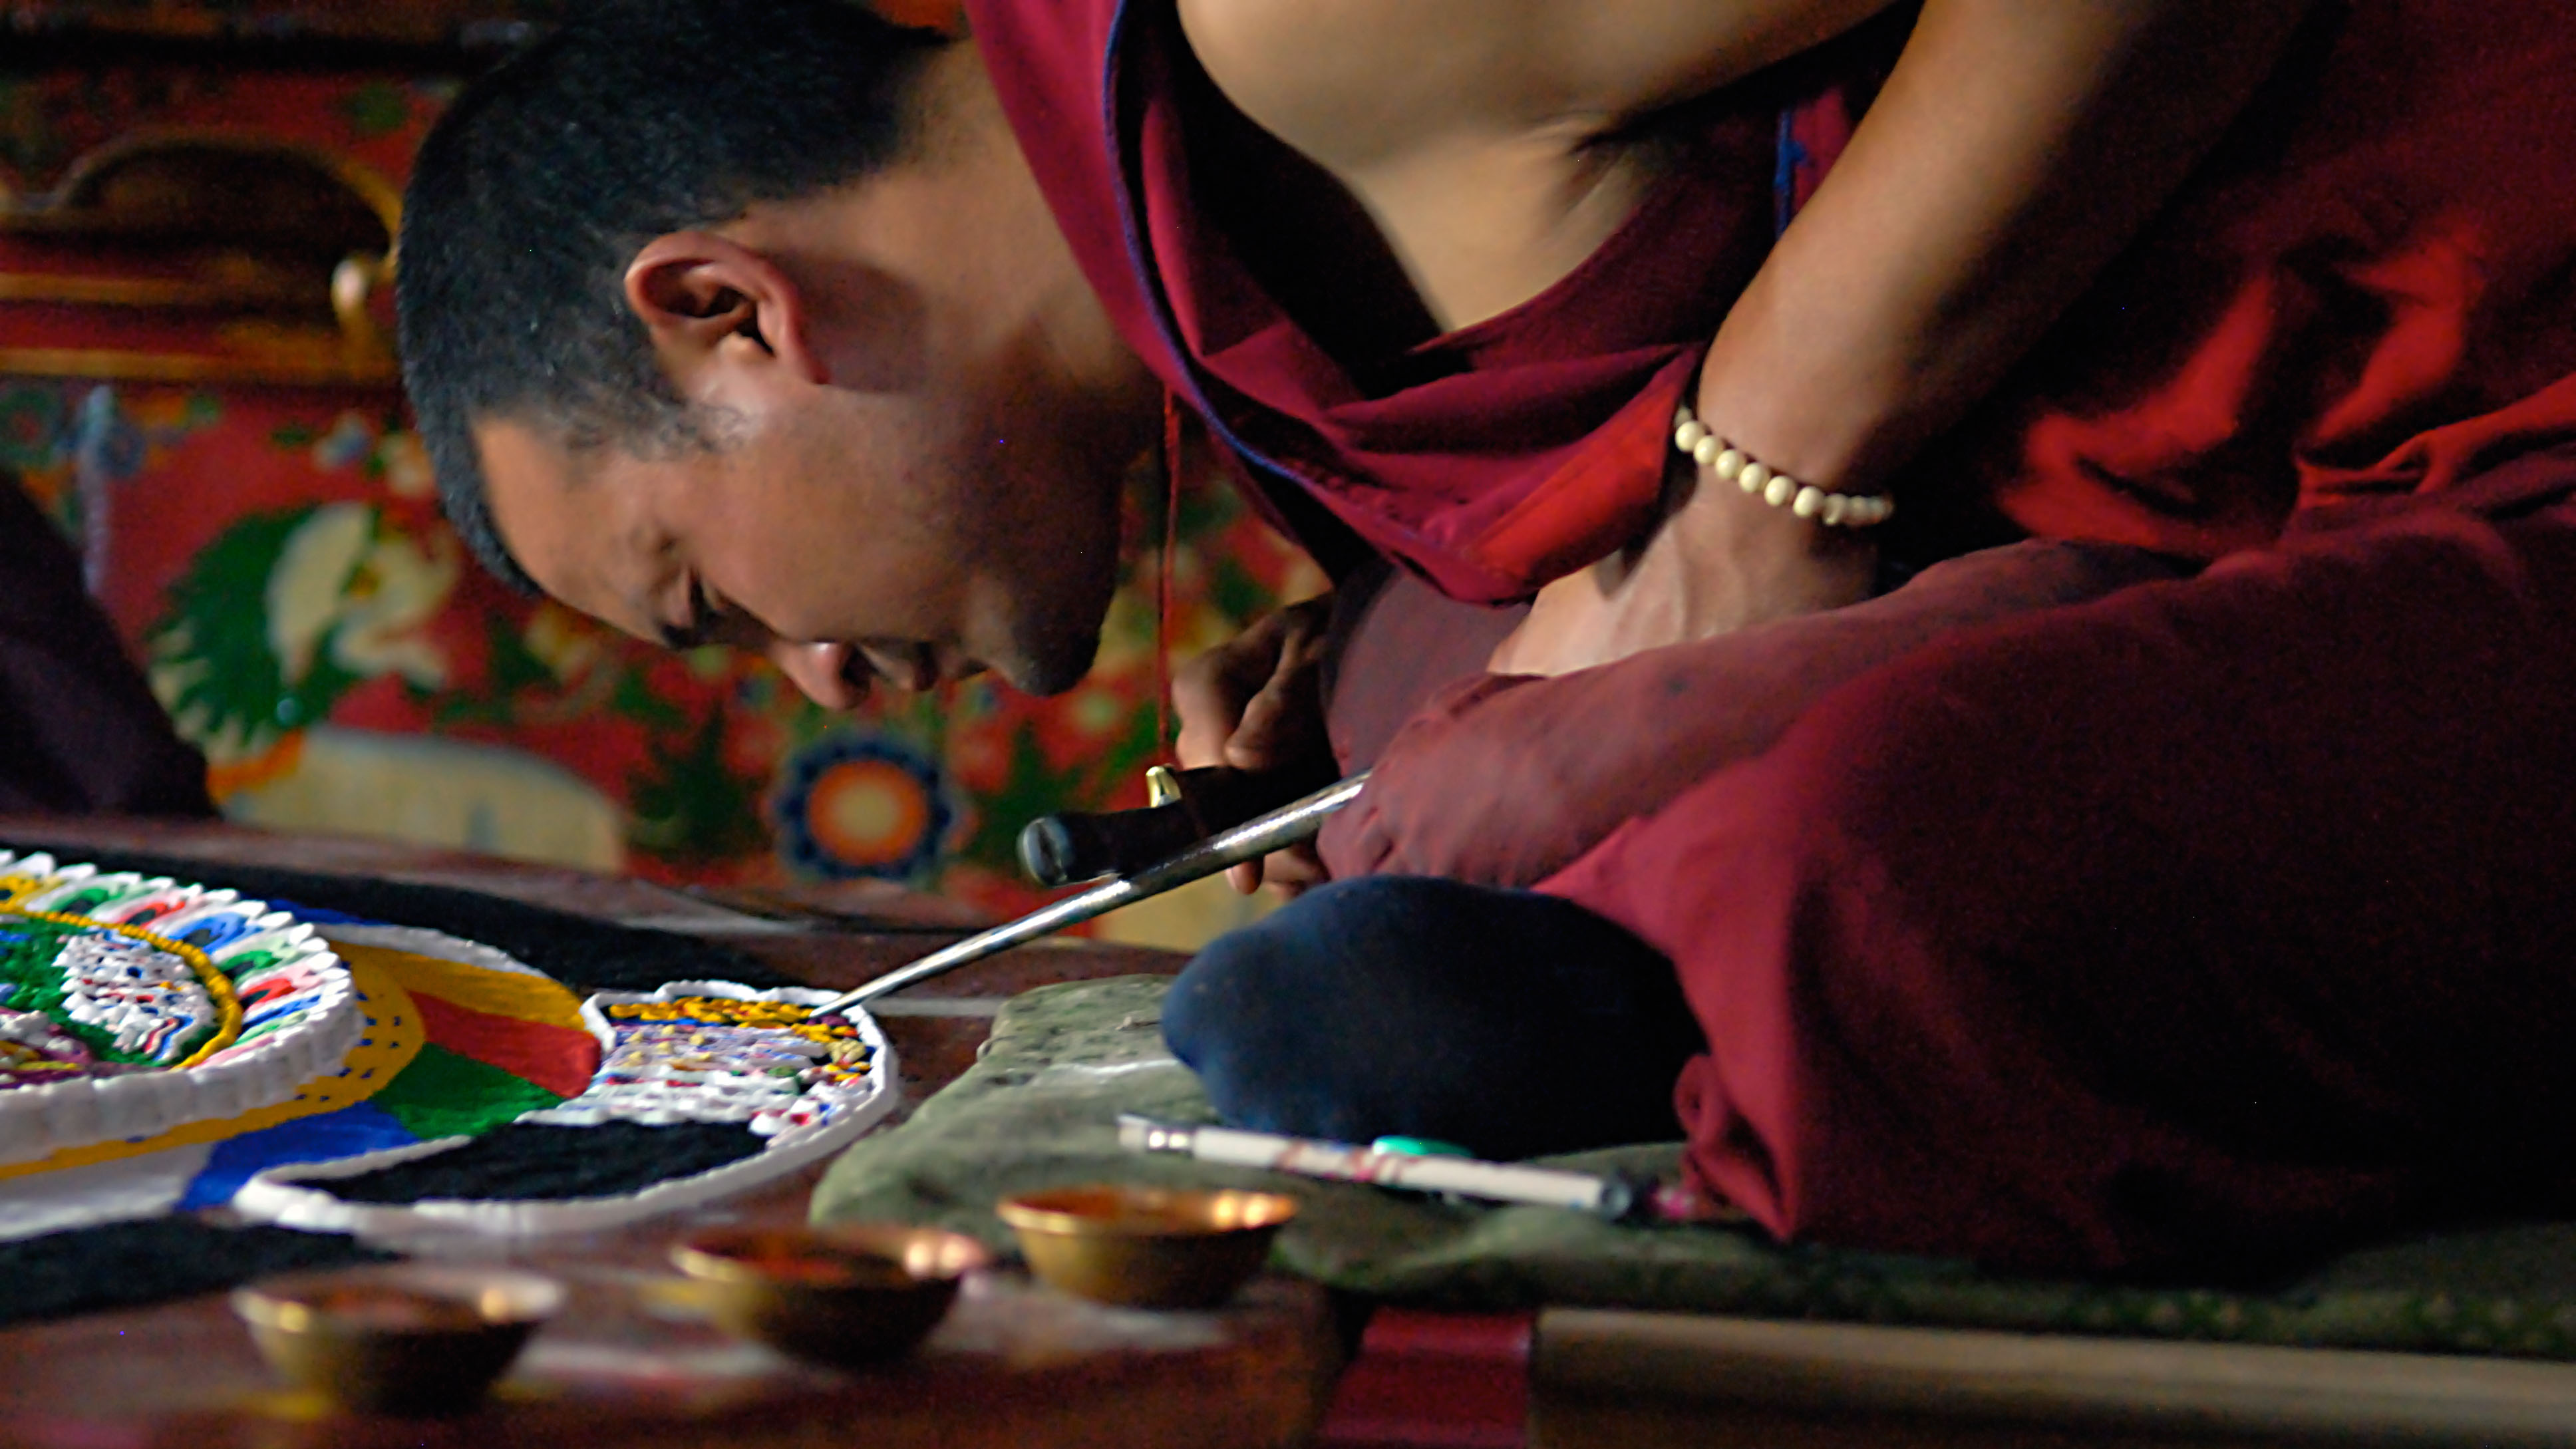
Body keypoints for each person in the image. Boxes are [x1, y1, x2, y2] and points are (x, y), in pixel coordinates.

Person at [397, 0, 2576, 1275]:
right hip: (2279, 533)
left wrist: (1756, 492)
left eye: (708, 594)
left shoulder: (1281, 24)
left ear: (729, 308)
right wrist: (1391, 606)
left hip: (2514, 403)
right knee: (1407, 709)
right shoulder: (1227, 274)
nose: (820, 681)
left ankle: (1648, 979)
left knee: (1872, 870)